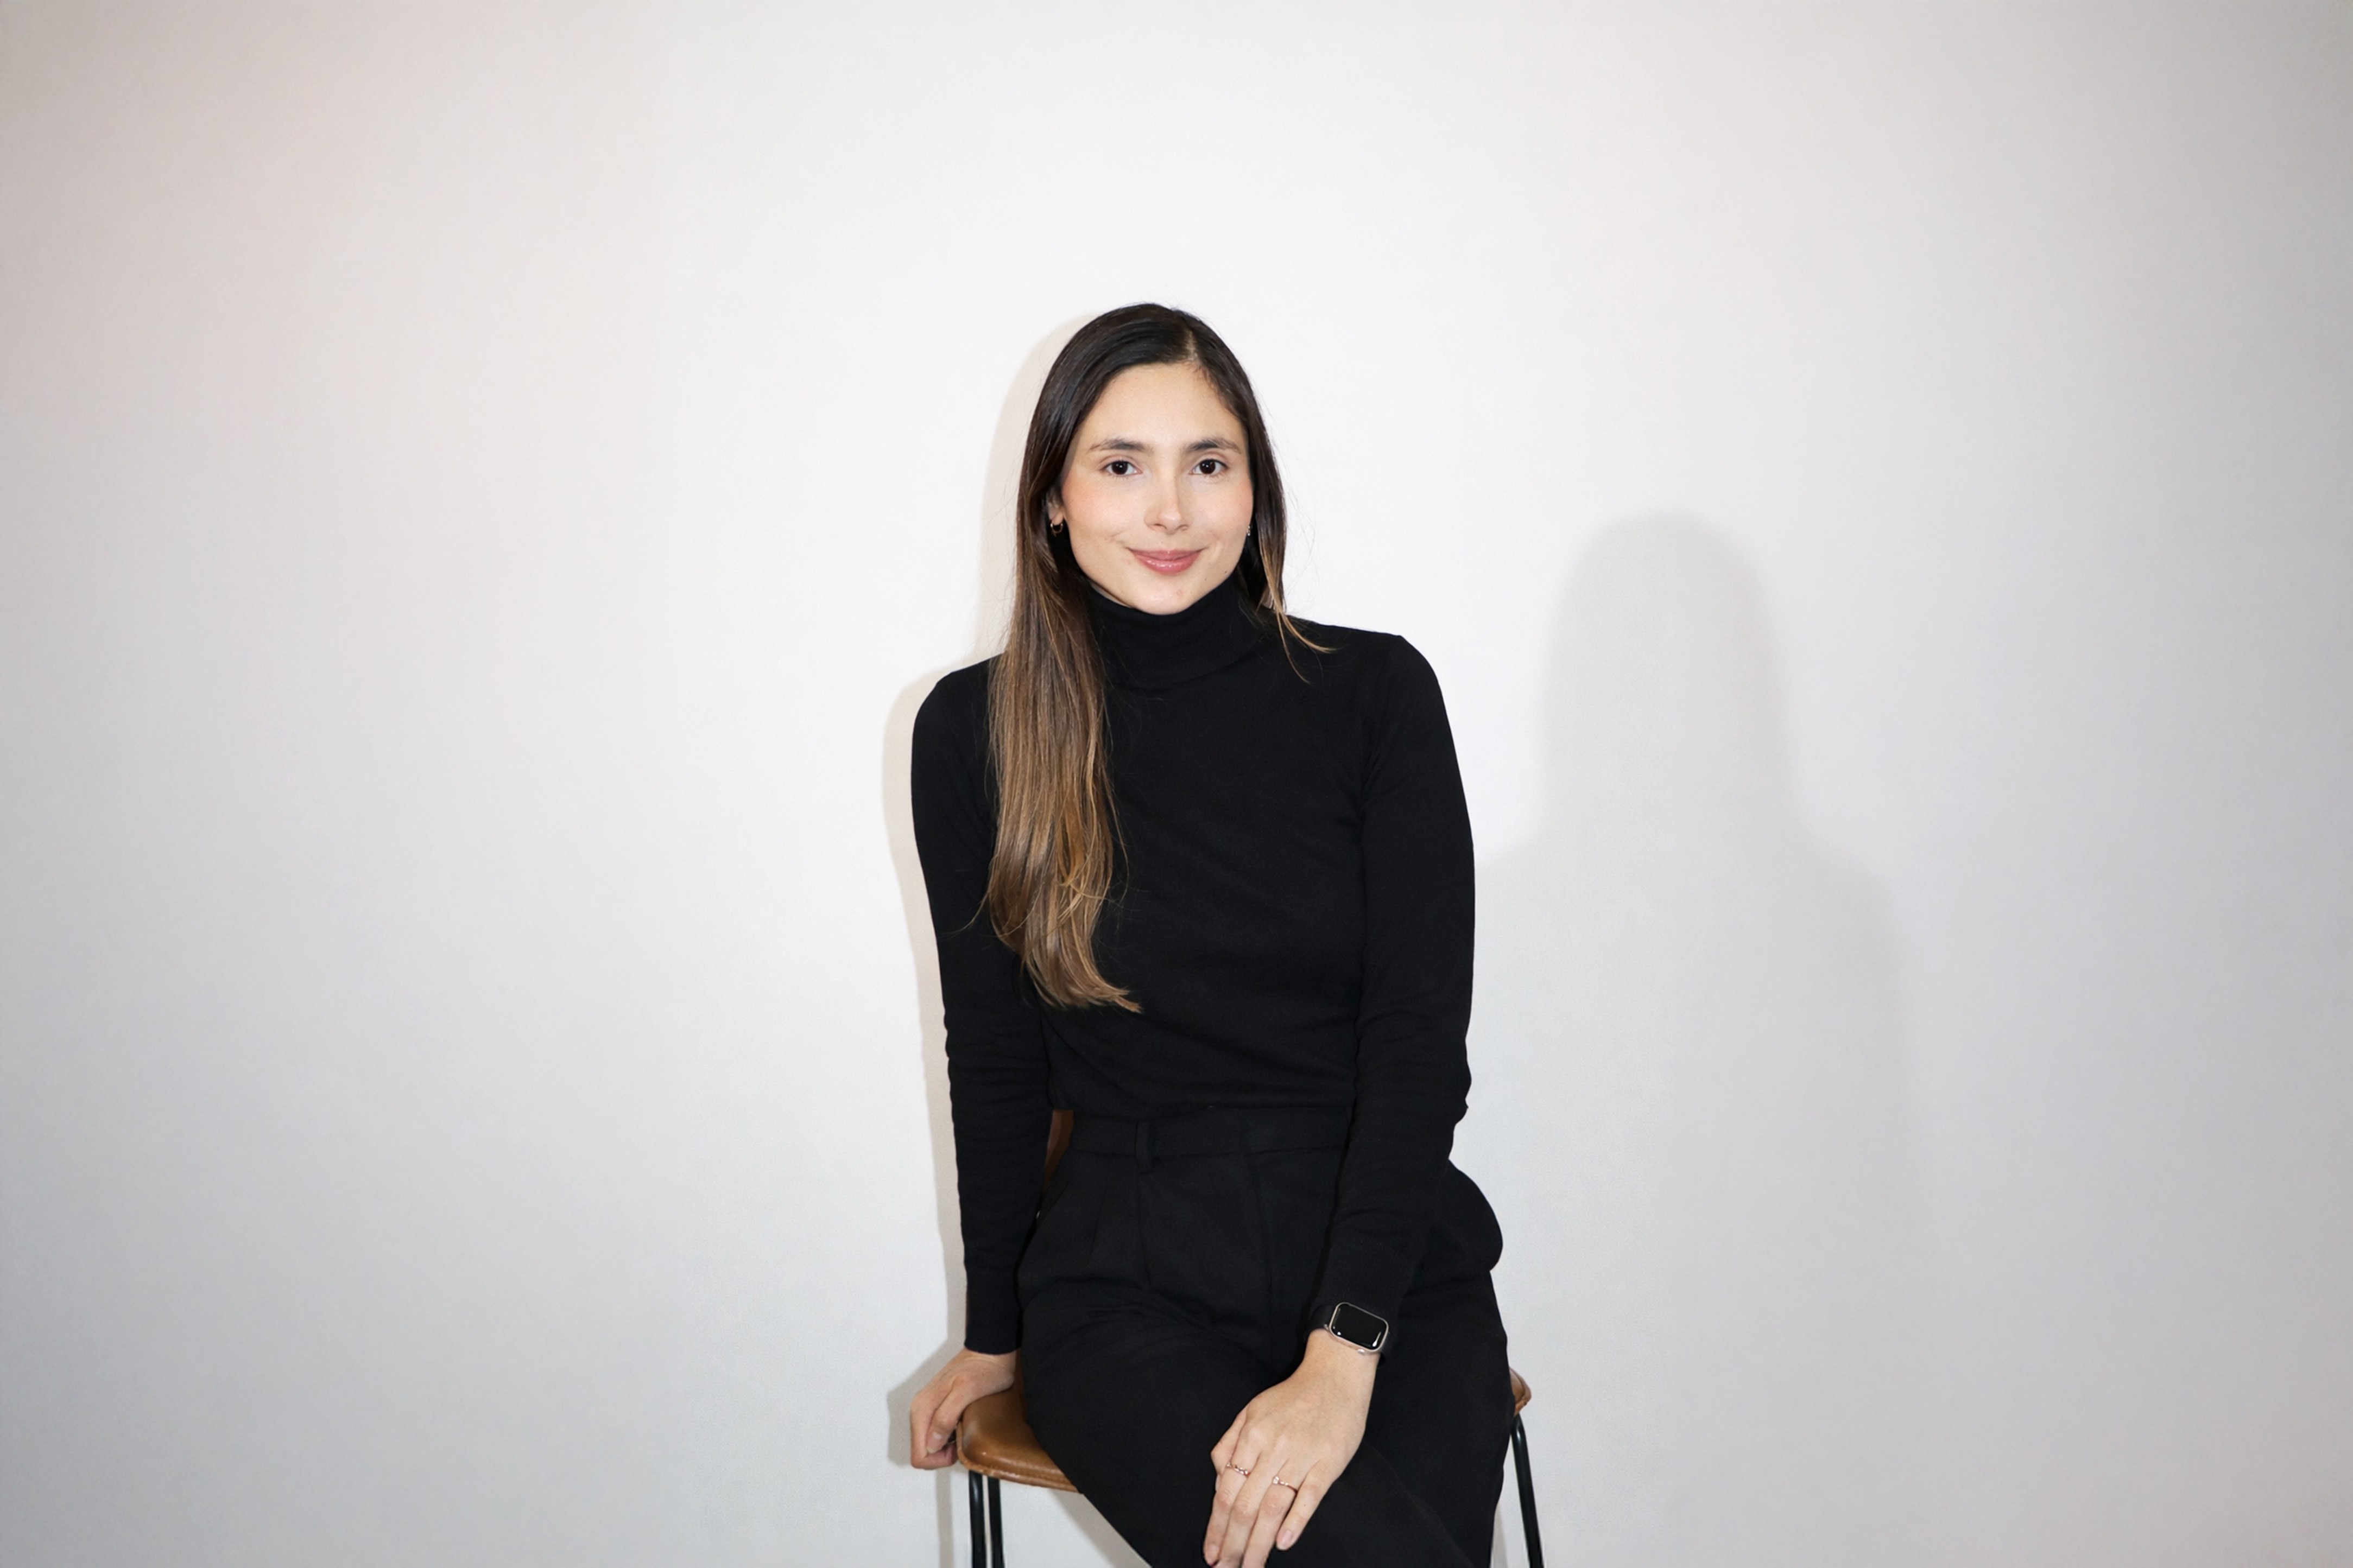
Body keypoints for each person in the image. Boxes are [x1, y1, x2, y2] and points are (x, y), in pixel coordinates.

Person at [906, 303, 1511, 1568]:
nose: (1170, 510)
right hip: (1128, 1279)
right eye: (1121, 465)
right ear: (1053, 500)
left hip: (1386, 1264)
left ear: (1255, 487)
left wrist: (1342, 1351)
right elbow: (998, 1061)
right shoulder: (973, 732)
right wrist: (994, 1326)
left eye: (1209, 463)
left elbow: (1415, 1047)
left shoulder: (1374, 697)